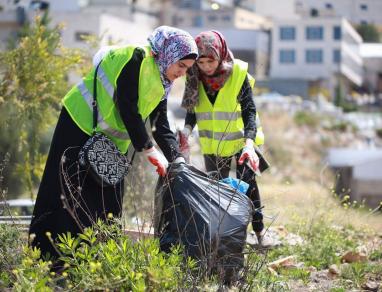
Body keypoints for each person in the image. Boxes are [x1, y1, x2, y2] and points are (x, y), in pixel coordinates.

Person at [29, 26, 198, 259]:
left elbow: (160, 125)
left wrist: (176, 158)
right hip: (79, 125)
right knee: (65, 195)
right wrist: (149, 150)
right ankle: (47, 261)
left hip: (107, 143)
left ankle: (94, 265)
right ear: (168, 54)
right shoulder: (135, 58)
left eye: (187, 69)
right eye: (181, 65)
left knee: (107, 205)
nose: (182, 73)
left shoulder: (162, 81)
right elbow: (127, 107)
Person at [179, 30, 272, 247]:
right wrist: (185, 131)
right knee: (218, 191)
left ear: (219, 55)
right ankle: (226, 239)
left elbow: (249, 110)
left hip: (242, 142)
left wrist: (249, 143)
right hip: (213, 145)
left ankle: (259, 234)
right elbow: (192, 110)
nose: (206, 66)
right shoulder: (193, 76)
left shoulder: (237, 73)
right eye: (200, 61)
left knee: (249, 188)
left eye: (210, 60)